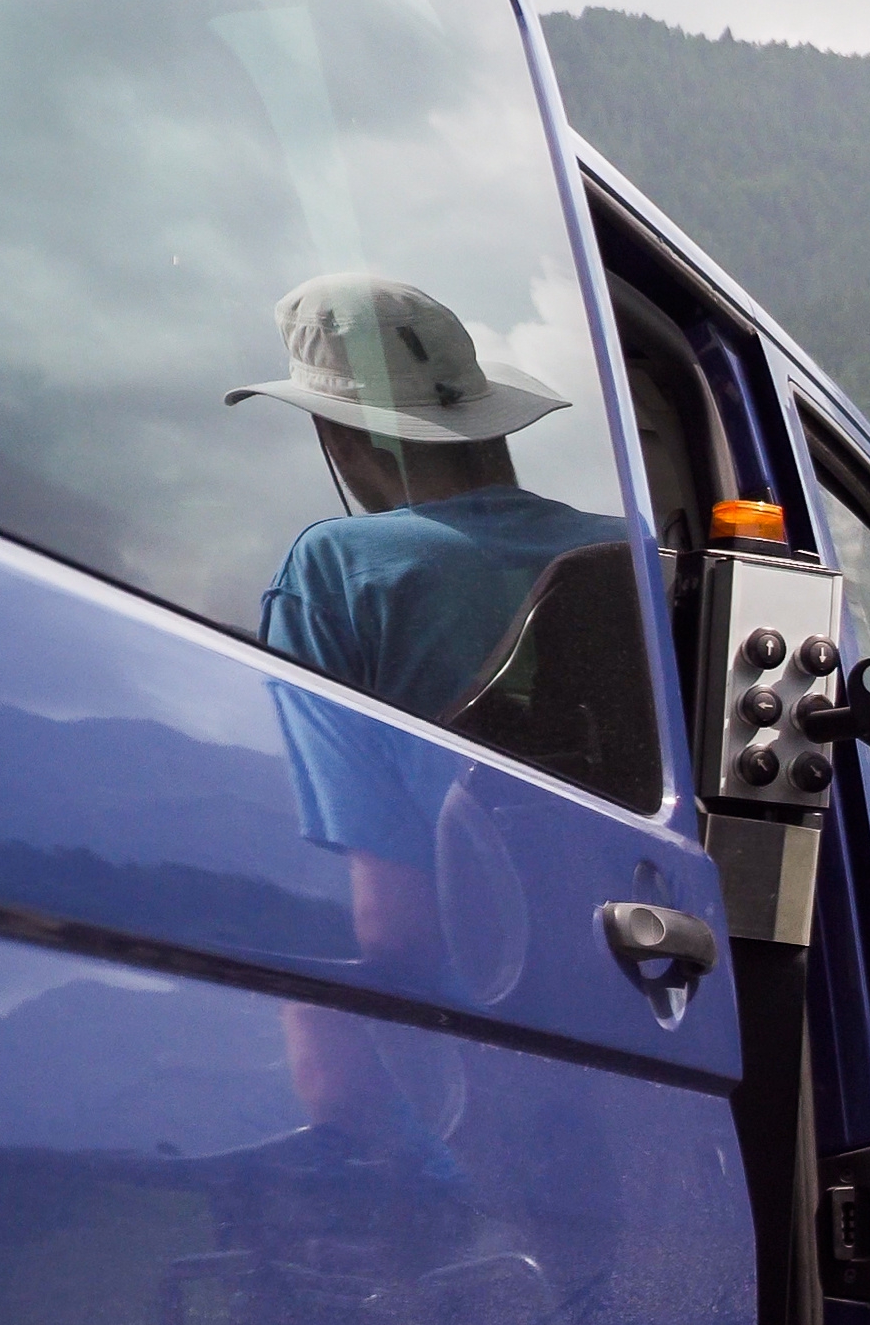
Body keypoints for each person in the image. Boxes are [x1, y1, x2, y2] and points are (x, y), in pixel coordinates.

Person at [229, 274, 626, 1138]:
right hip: (648, 1009)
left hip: (475, 1079)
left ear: (336, 435)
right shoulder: (637, 555)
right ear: (485, 419)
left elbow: (379, 919)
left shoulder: (334, 571)